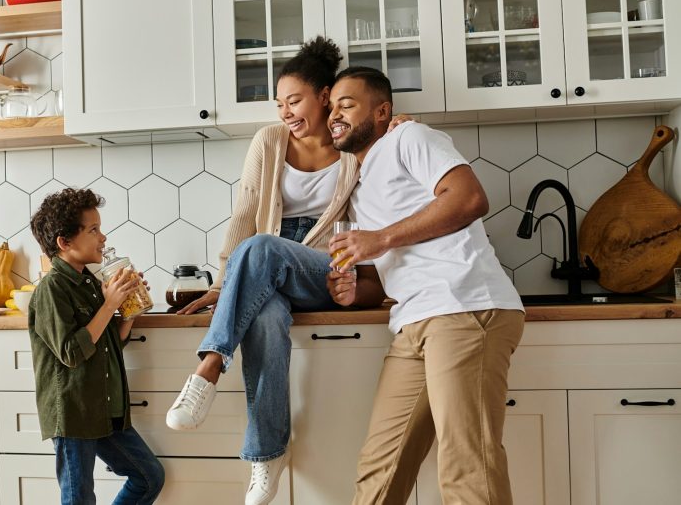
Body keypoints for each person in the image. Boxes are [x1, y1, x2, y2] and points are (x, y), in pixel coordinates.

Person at [165, 36, 408, 505]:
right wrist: (226, 282)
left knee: (263, 248)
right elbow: (246, 212)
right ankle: (266, 456)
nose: (285, 113)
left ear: (324, 97)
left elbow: (389, 157)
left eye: (293, 101)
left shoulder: (355, 146)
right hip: (262, 270)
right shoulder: (269, 141)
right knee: (267, 316)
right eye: (279, 104)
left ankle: (209, 366)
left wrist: (399, 124)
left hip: (322, 270)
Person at [325, 67, 525, 505]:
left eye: (347, 104)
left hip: (462, 305)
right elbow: (393, 264)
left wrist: (378, 239)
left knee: (468, 467)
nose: (334, 115)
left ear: (382, 111)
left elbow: (469, 198)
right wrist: (359, 290)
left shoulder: (409, 139)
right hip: (412, 319)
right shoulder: (358, 183)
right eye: (331, 107)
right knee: (381, 467)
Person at [28, 188, 165, 505]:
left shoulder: (90, 282)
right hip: (75, 414)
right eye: (93, 230)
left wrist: (128, 309)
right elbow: (72, 353)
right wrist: (109, 305)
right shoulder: (51, 289)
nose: (102, 237)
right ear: (65, 242)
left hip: (104, 411)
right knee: (79, 499)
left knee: (148, 477)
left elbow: (108, 342)